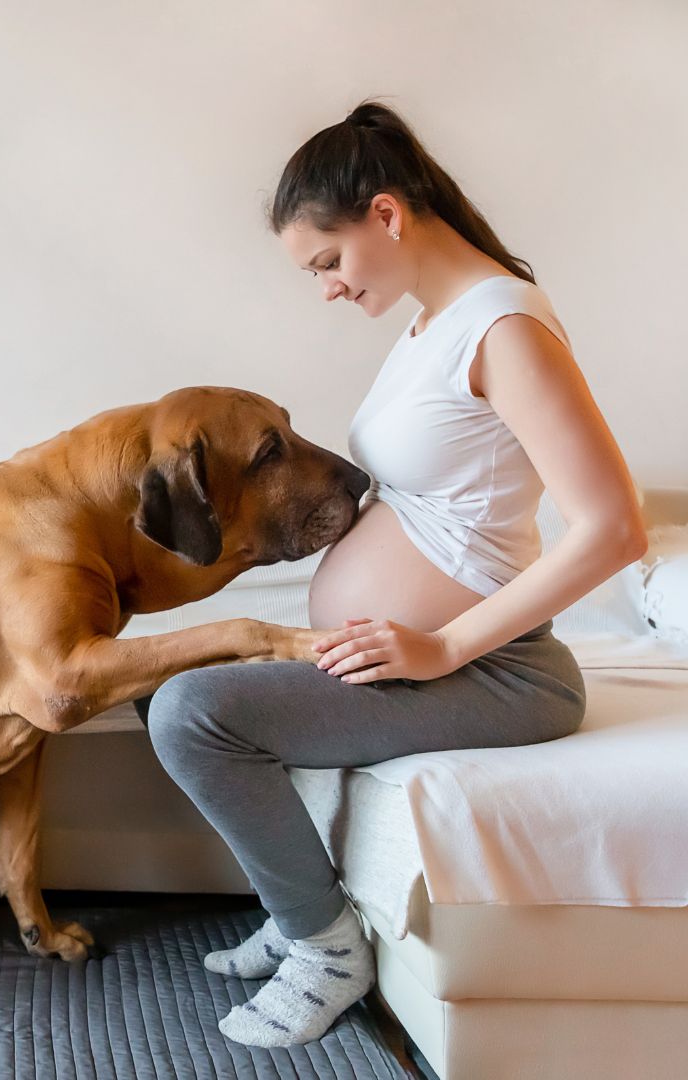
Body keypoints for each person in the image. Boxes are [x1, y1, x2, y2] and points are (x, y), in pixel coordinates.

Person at [139, 100, 647, 1048]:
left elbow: (614, 529)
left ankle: (326, 949)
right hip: (438, 657)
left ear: (385, 214)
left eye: (327, 262)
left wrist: (443, 642)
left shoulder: (503, 328)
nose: (325, 289)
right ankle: (301, 909)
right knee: (161, 685)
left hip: (499, 671)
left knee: (191, 714)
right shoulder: (435, 327)